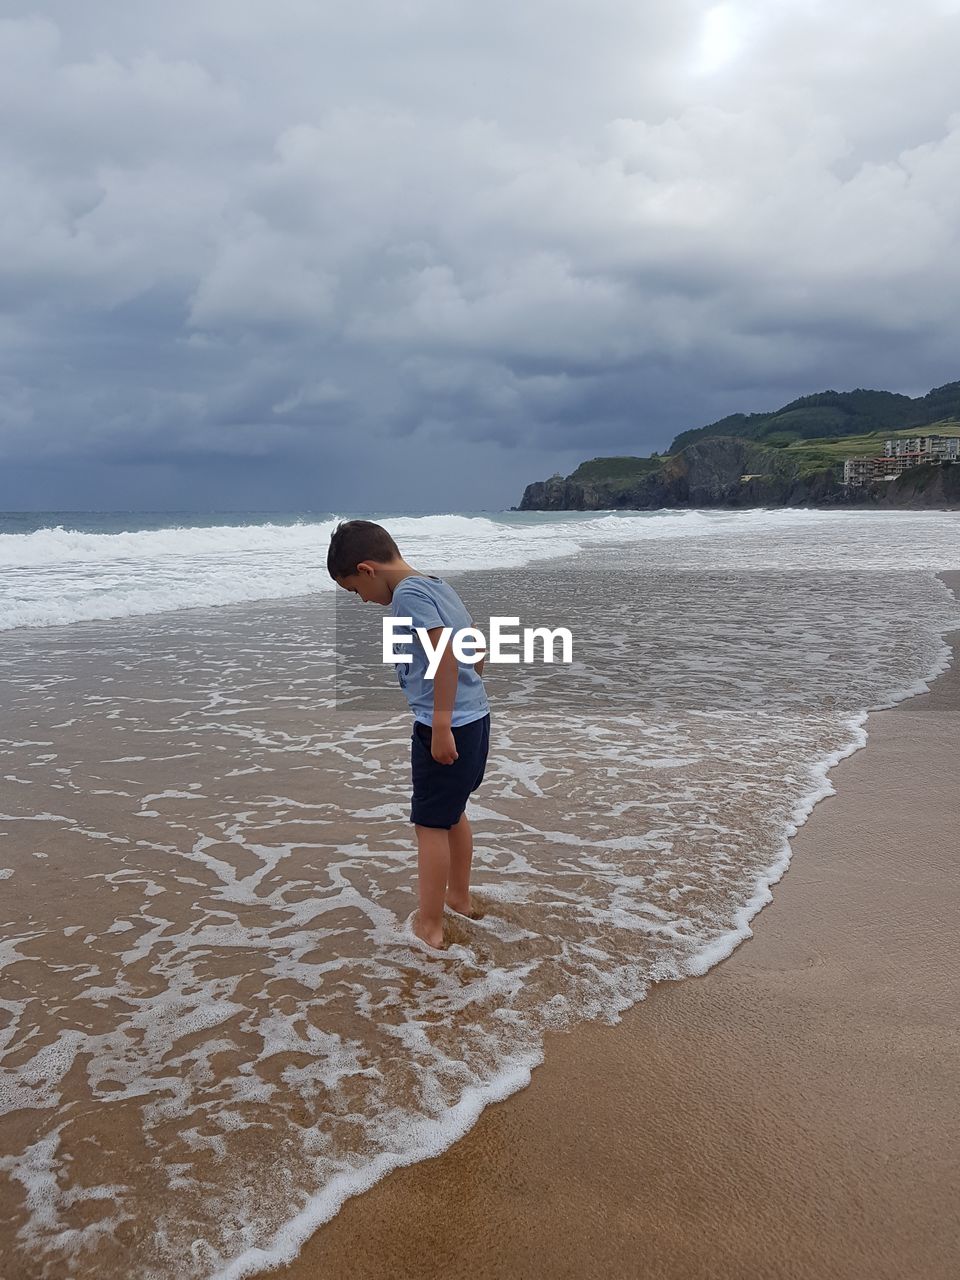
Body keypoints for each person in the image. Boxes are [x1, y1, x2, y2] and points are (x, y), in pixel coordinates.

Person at [327, 519, 491, 952]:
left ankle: (431, 925)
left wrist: (438, 725)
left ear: (367, 570)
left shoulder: (408, 597)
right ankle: (459, 897)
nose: (363, 601)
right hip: (474, 719)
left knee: (430, 825)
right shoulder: (437, 586)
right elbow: (473, 645)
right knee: (452, 813)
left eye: (355, 590)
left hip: (447, 724)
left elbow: (444, 658)